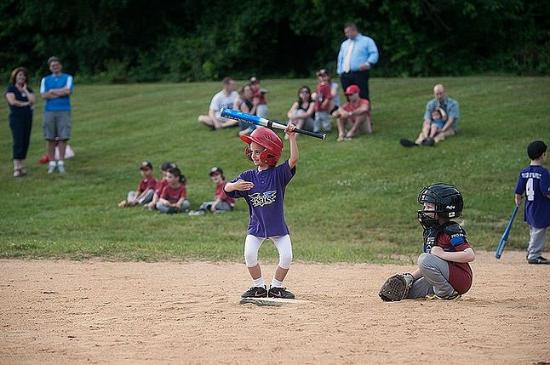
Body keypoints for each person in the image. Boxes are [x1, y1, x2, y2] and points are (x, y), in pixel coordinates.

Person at [225, 125, 299, 299]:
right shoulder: (248, 176)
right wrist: (235, 186)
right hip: (256, 226)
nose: (253, 155)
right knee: (249, 255)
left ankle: (276, 288)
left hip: (277, 226)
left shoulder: (278, 175)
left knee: (287, 257)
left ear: (269, 153)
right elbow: (227, 188)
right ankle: (258, 287)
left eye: (257, 152)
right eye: (252, 152)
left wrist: (292, 137)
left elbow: (294, 159)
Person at [379, 183, 475, 301]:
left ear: (443, 209)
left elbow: (469, 255)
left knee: (424, 259)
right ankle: (443, 290)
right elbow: (429, 267)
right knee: (409, 292)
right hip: (444, 278)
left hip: (461, 278)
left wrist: (442, 254)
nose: (424, 211)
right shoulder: (431, 232)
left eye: (429, 207)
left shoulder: (452, 230)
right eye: (424, 207)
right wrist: (410, 278)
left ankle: (447, 293)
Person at [514, 140, 550, 264]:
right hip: (540, 208)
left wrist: (518, 201)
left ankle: (531, 251)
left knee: (534, 231)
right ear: (542, 155)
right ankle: (534, 255)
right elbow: (546, 191)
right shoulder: (543, 172)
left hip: (529, 208)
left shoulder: (524, 172)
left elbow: (518, 191)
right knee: (539, 231)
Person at [40, 56, 74, 174]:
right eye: (52, 66)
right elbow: (44, 95)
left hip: (64, 110)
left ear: (60, 66)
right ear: (50, 68)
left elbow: (68, 91)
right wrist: (60, 92)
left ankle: (61, 162)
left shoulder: (68, 77)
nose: (55, 67)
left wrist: (53, 91)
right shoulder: (45, 80)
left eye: (57, 65)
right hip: (49, 110)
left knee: (63, 137)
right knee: (50, 137)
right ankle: (52, 162)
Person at [5, 67, 35, 177]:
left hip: (27, 118)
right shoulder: (11, 89)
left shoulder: (29, 89)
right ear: (15, 77)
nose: (22, 77)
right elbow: (13, 102)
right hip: (16, 118)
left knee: (25, 141)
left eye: (23, 75)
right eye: (19, 75)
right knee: (18, 140)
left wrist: (25, 90)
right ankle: (16, 167)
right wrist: (26, 104)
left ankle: (22, 165)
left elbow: (33, 100)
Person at [337, 23, 378, 102]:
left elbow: (374, 53)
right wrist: (340, 71)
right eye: (345, 33)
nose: (346, 34)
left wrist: (368, 63)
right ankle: (351, 112)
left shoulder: (367, 41)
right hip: (345, 73)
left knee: (362, 94)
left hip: (360, 72)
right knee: (348, 94)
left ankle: (364, 112)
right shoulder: (345, 44)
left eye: (348, 32)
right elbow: (340, 58)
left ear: (354, 31)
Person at [313, 69, 332, 133]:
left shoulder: (327, 86)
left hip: (324, 107)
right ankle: (316, 130)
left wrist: (325, 102)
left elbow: (329, 96)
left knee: (325, 118)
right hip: (318, 106)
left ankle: (327, 129)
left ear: (327, 77)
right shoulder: (319, 86)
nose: (322, 78)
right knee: (317, 119)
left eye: (324, 76)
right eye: (321, 76)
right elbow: (317, 95)